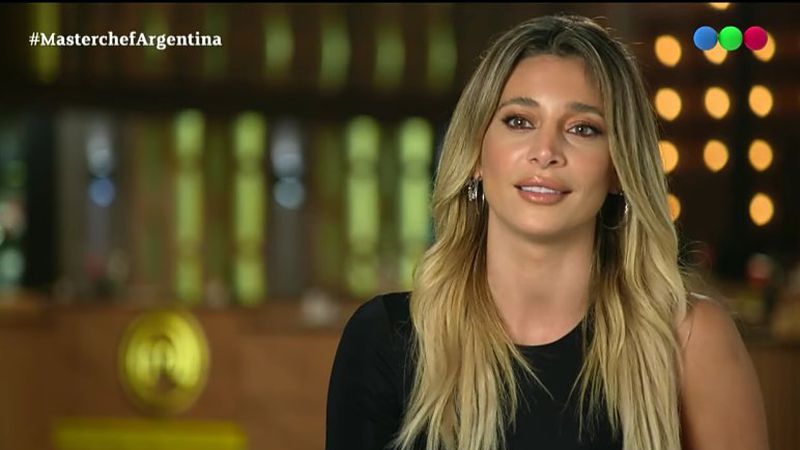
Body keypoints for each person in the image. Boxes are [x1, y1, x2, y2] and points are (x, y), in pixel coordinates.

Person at [326, 14, 769, 450]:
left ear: (619, 168)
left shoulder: (689, 340)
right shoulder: (386, 340)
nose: (545, 152)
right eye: (519, 121)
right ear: (476, 153)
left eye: (583, 128)